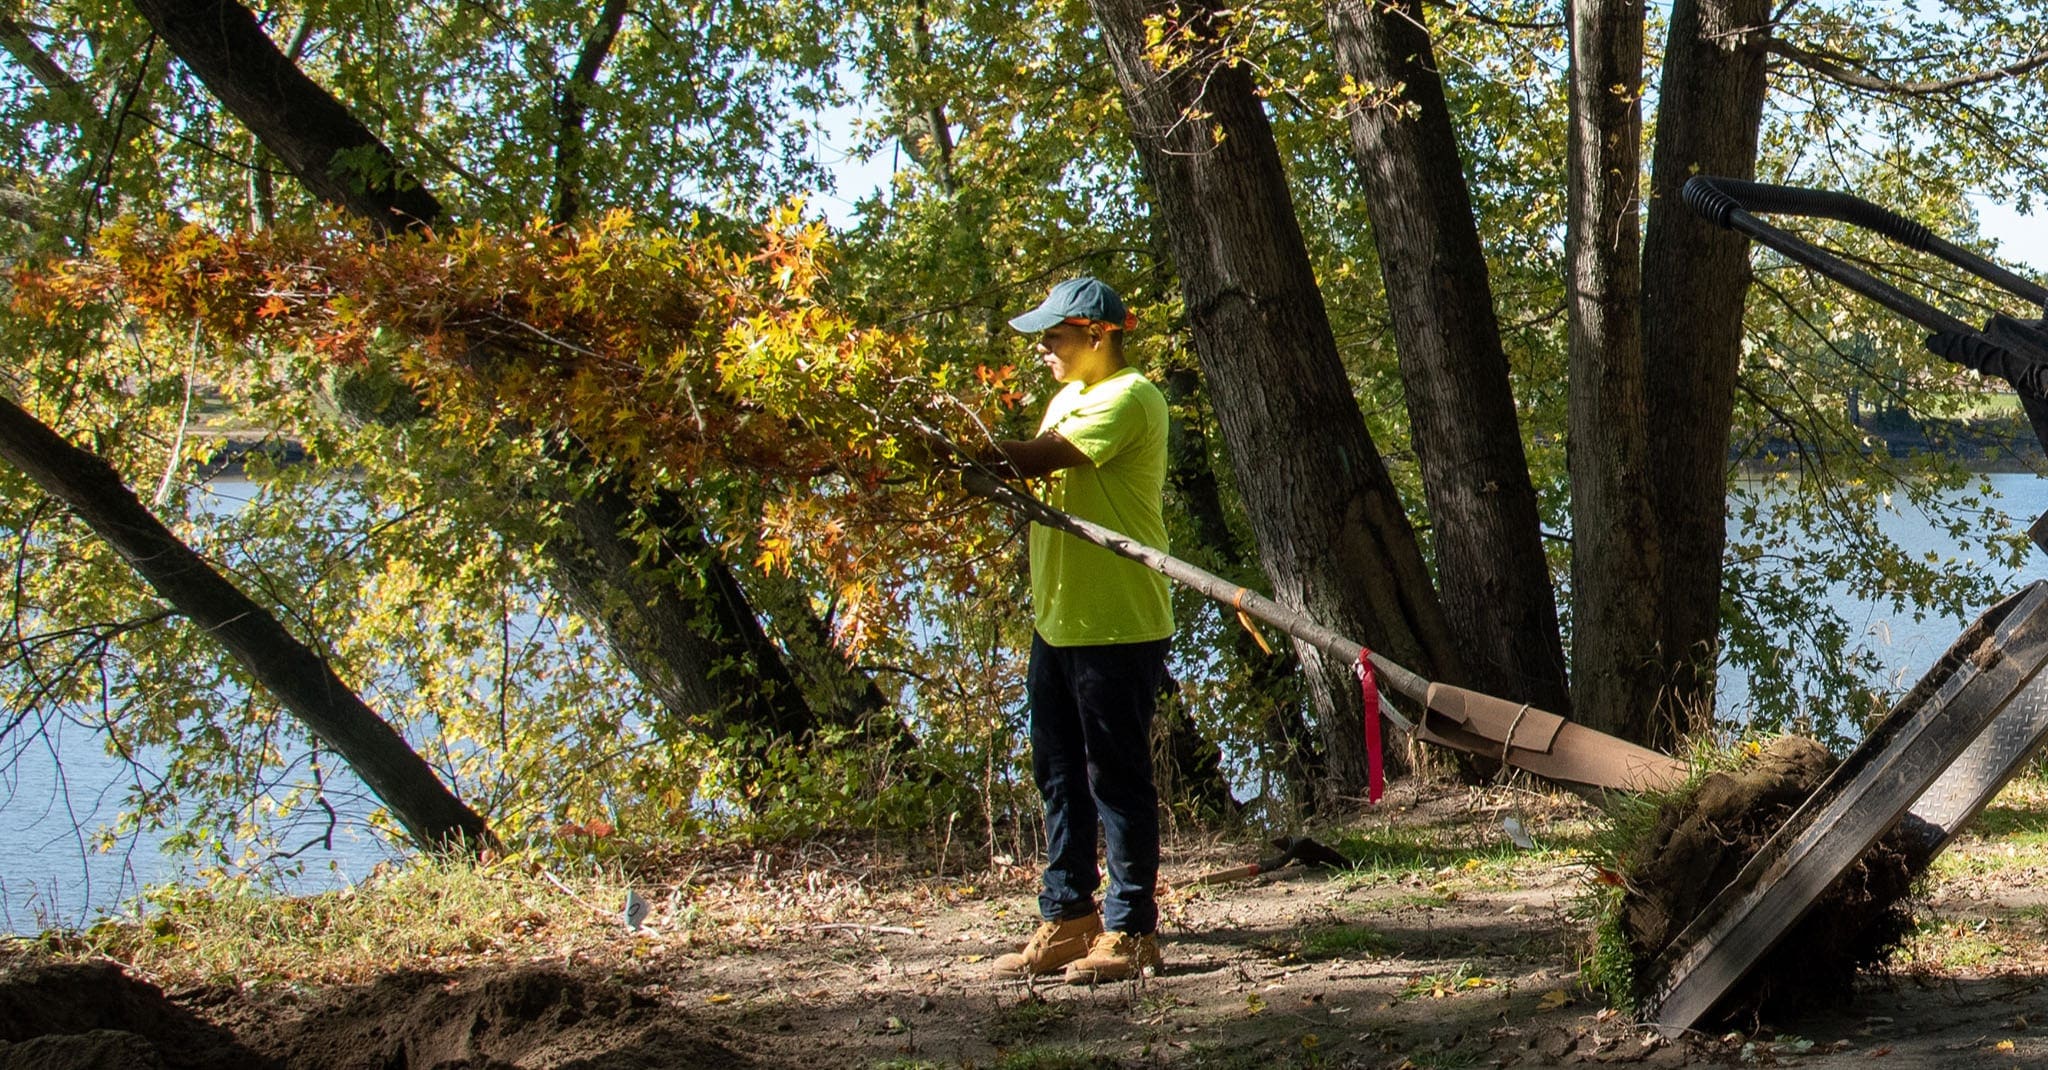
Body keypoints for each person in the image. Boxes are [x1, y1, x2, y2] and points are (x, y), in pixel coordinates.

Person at [987, 277, 1175, 984]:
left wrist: (958, 452)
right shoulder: (1067, 396)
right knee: (1059, 775)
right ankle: (1068, 916)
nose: (1044, 350)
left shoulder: (1132, 396)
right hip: (1058, 620)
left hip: (1118, 625)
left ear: (1098, 335)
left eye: (1055, 337)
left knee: (1116, 779)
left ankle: (1131, 930)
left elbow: (1038, 460)